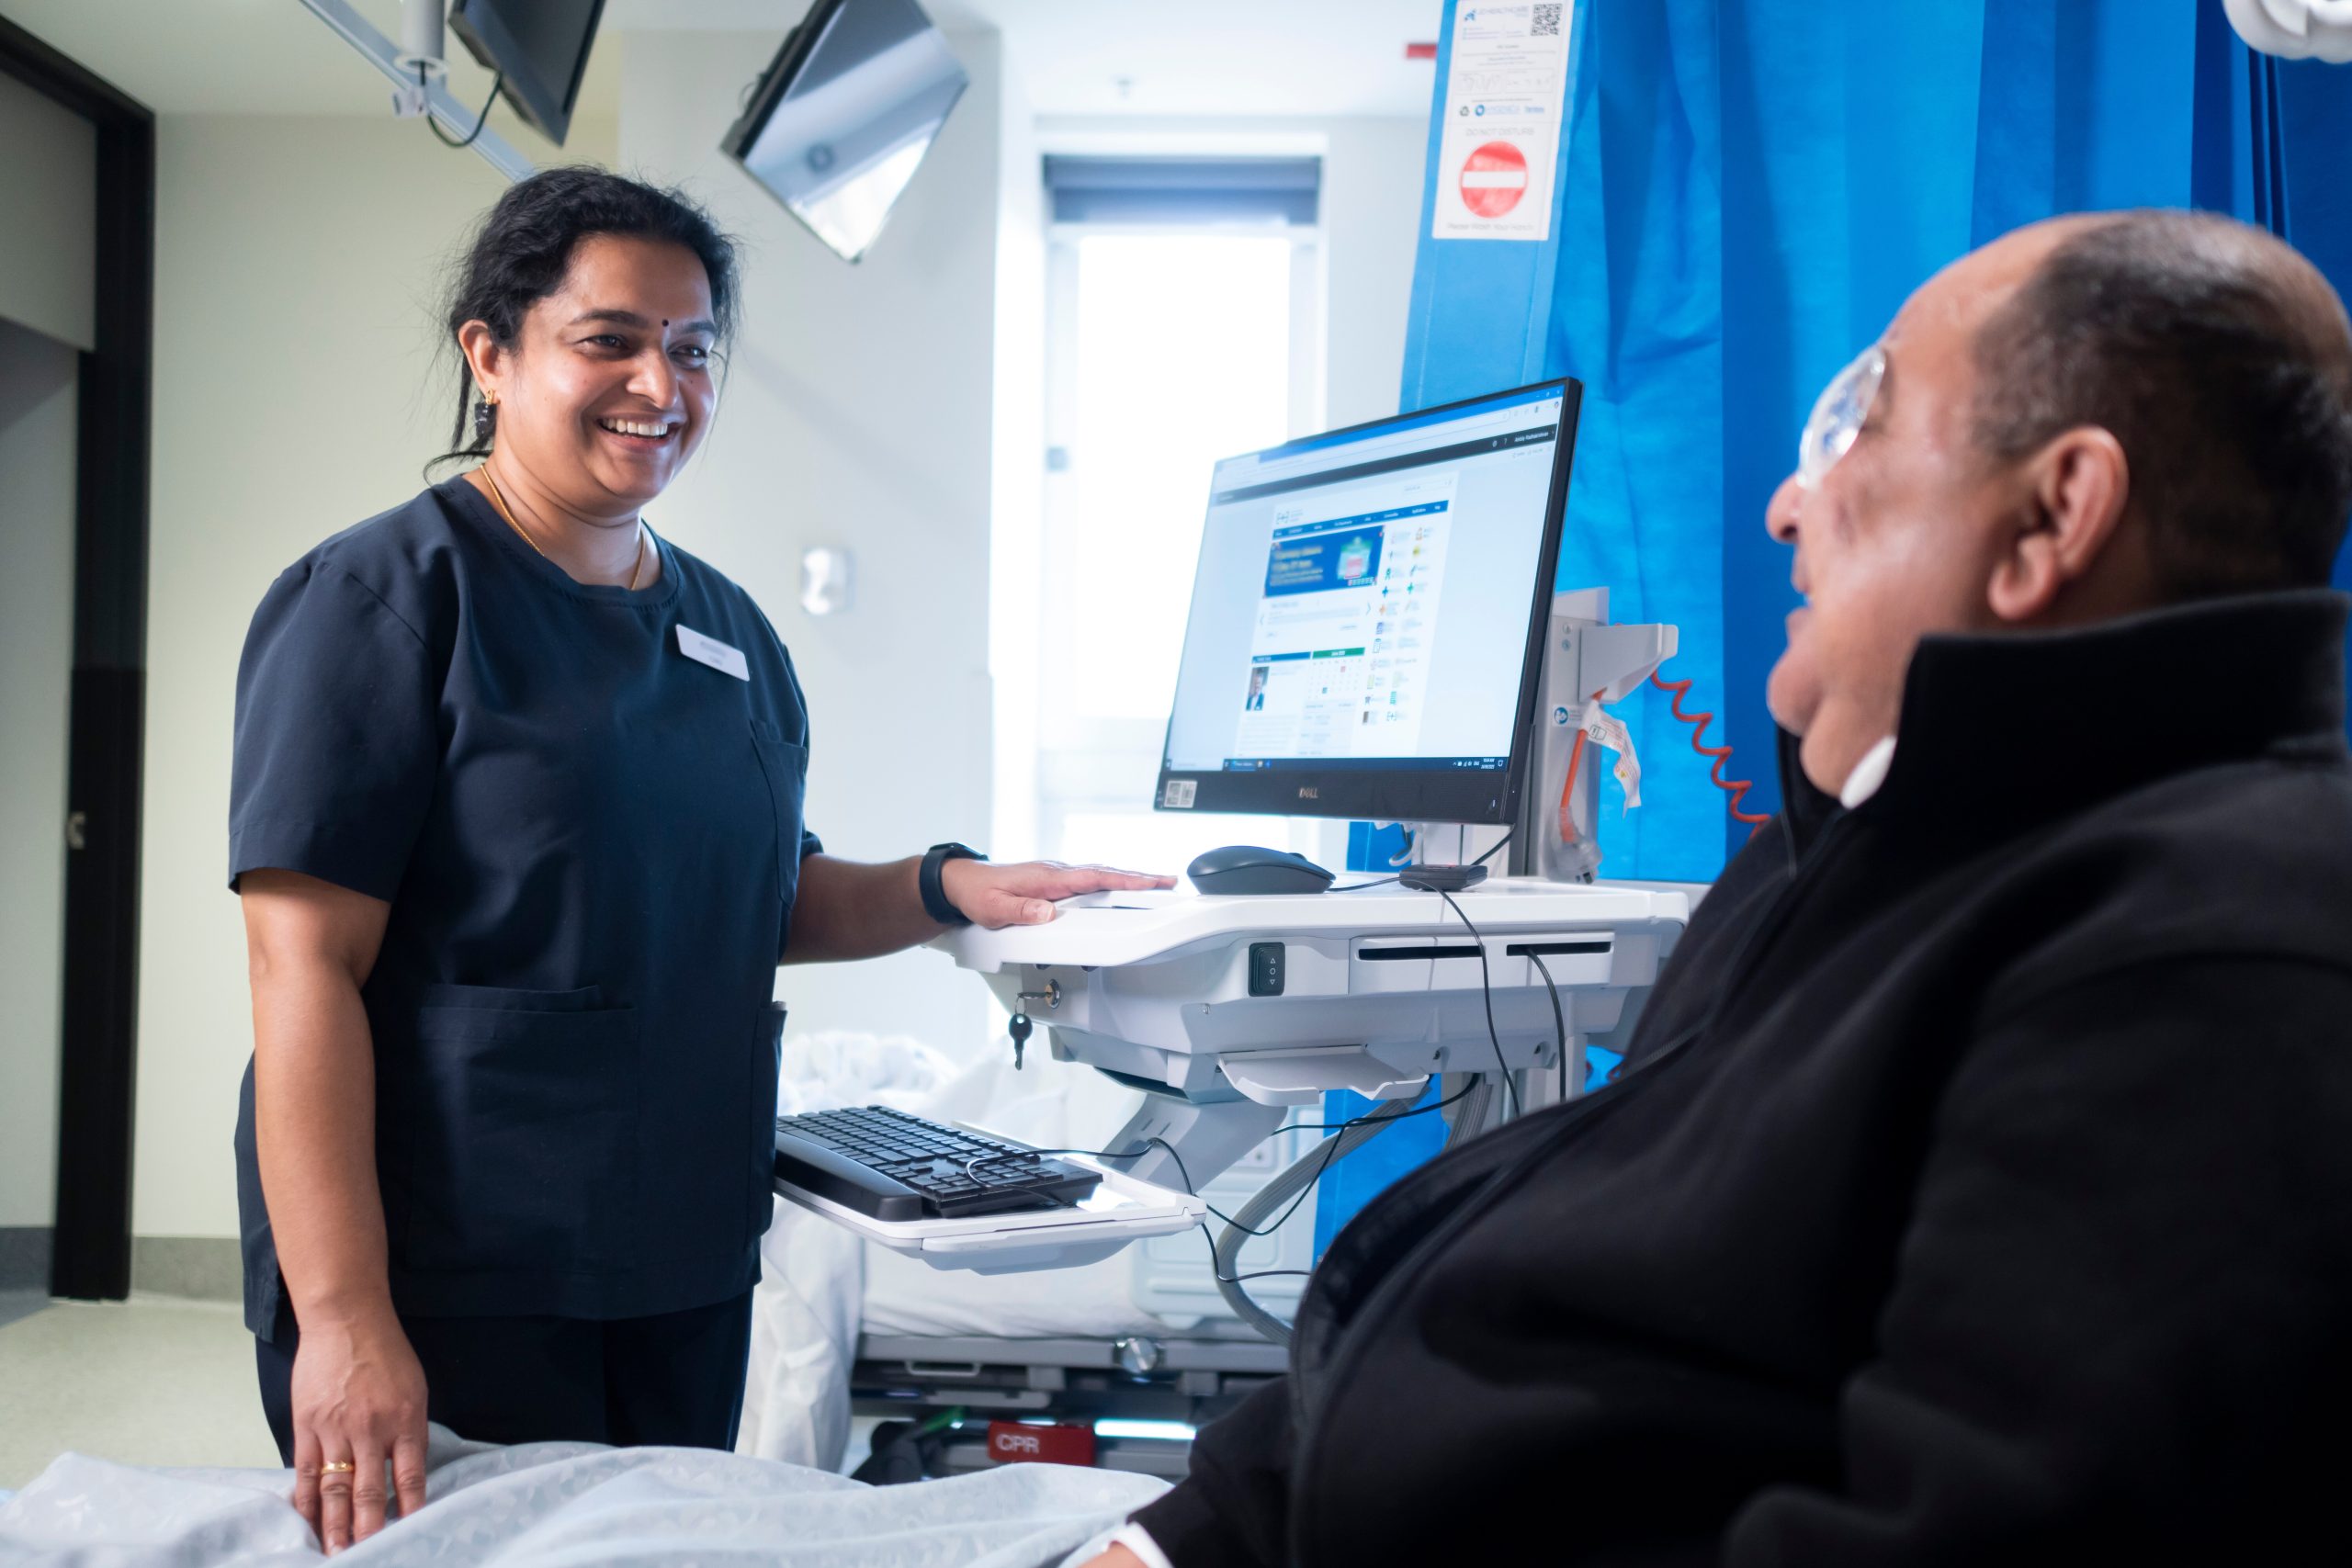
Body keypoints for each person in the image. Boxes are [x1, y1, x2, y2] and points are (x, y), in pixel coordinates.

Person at [1085, 209, 2352, 1567]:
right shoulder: (1847, 855)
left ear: (2052, 516)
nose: (1786, 501)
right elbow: (1521, 1299)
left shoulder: (2204, 958)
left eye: (1860, 418)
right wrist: (1172, 1543)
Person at [228, 167, 1167, 1555]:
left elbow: (754, 895)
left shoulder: (729, 637)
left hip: (678, 1258)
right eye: (609, 339)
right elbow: (300, 967)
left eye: (693, 349)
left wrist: (939, 889)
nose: (658, 385)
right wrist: (347, 1318)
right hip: (452, 1271)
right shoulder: (381, 601)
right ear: (492, 353)